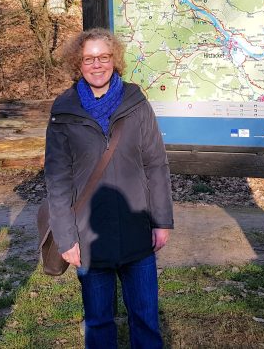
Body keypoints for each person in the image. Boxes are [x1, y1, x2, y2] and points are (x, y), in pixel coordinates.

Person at [45, 27, 174, 348]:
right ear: (78, 63)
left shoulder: (136, 103)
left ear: (115, 60)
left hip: (137, 230)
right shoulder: (64, 110)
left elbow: (156, 164)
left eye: (104, 57)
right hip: (89, 236)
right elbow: (57, 180)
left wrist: (162, 221)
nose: (97, 64)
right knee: (99, 323)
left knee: (145, 319)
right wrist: (65, 237)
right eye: (89, 59)